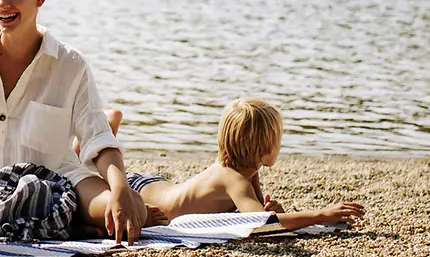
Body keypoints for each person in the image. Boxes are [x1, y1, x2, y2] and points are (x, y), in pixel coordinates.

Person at [0, 0, 152, 244]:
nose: (3, 3)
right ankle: (72, 225)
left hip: (53, 188)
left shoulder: (70, 64)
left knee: (128, 209)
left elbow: (98, 137)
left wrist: (120, 186)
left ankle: (92, 212)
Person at [124, 97, 364, 229]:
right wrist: (320, 214)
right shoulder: (235, 180)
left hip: (154, 185)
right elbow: (262, 225)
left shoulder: (245, 172)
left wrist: (270, 210)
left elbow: (258, 212)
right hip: (137, 191)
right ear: (264, 149)